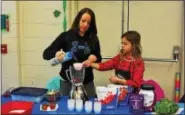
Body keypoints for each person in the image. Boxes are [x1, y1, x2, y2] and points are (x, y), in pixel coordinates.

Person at [43, 8, 102, 97]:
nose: (85, 25)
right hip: (67, 82)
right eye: (83, 21)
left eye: (89, 23)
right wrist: (57, 53)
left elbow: (99, 58)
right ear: (78, 19)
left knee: (89, 108)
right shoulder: (66, 36)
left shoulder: (93, 38)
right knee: (66, 108)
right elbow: (46, 54)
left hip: (87, 82)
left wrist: (93, 58)